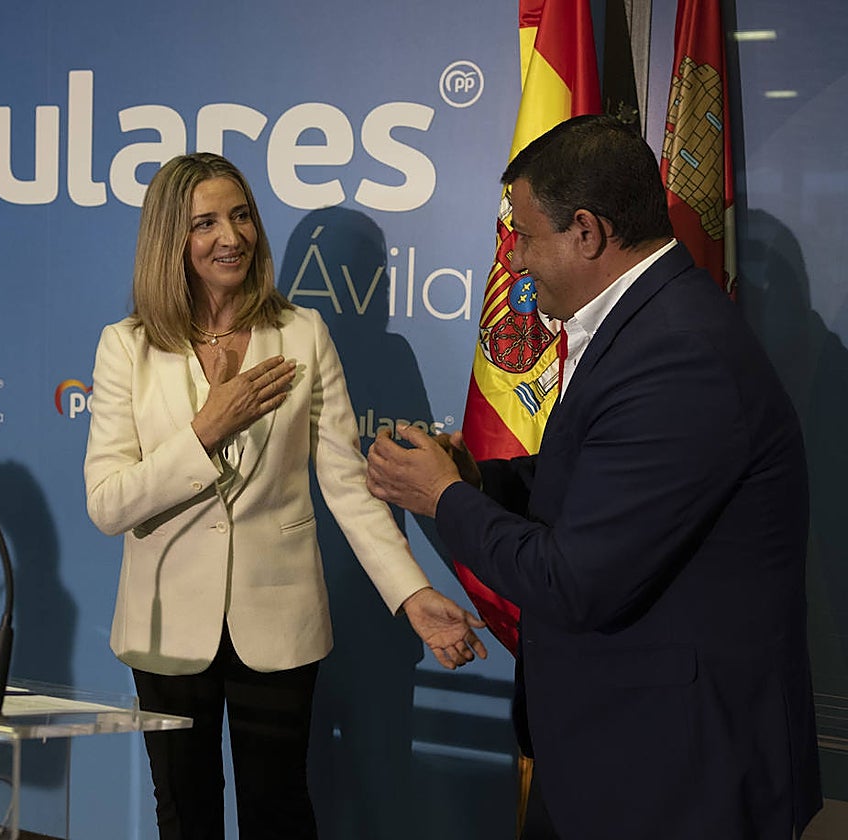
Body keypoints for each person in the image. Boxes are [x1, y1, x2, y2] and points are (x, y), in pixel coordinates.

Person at [366, 115, 822, 840]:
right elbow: (600, 478)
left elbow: (576, 580)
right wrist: (480, 478)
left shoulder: (677, 352)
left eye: (522, 233)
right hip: (626, 757)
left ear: (586, 231)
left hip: (677, 778)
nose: (512, 260)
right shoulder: (650, 321)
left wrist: (441, 498)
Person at [83, 152, 487, 840]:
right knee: (185, 817)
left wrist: (412, 595)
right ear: (169, 241)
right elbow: (110, 503)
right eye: (205, 222)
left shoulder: (301, 333)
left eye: (240, 216)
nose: (230, 236)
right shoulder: (127, 347)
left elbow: (348, 487)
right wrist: (207, 430)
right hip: (166, 630)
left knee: (280, 815)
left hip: (279, 625)